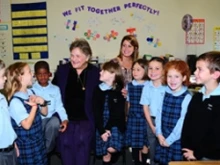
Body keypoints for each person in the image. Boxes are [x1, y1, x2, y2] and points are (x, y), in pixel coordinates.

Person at [52, 38, 100, 165]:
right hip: (65, 117)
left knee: (82, 142)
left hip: (86, 117)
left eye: (78, 56)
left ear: (87, 57)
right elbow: (53, 91)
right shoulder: (63, 70)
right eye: (72, 55)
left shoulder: (95, 73)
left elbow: (105, 91)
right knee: (65, 143)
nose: (74, 59)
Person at [5, 62, 48, 165]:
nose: (33, 74)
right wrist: (34, 107)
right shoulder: (16, 102)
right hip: (26, 146)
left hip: (38, 142)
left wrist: (42, 102)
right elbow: (27, 125)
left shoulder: (31, 92)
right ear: (20, 77)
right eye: (29, 72)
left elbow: (45, 113)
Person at [182, 51, 220, 161]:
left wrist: (197, 153)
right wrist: (186, 149)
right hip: (190, 153)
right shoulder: (197, 96)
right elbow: (188, 123)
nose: (195, 72)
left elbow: (216, 136)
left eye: (200, 69)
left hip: (209, 157)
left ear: (215, 74)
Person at [154, 60, 192, 165]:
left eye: (176, 76)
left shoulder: (187, 97)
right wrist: (159, 133)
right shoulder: (164, 92)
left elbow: (182, 122)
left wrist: (170, 140)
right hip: (163, 136)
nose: (172, 80)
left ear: (184, 78)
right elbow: (159, 113)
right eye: (169, 76)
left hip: (176, 140)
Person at [32, 61, 68, 155]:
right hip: (37, 120)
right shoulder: (31, 90)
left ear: (49, 74)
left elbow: (59, 107)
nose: (42, 77)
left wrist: (65, 119)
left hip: (50, 120)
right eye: (39, 74)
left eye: (45, 74)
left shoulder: (55, 89)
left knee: (55, 122)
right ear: (35, 75)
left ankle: (46, 152)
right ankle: (41, 151)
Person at [93, 60, 126, 165]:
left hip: (115, 124)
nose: (100, 72)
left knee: (111, 148)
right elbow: (96, 112)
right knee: (105, 154)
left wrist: (108, 128)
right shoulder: (97, 90)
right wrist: (102, 130)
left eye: (104, 71)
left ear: (113, 74)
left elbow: (118, 114)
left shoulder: (119, 91)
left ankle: (115, 154)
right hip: (101, 125)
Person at [140, 57, 167, 165]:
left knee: (164, 144)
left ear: (164, 70)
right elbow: (145, 107)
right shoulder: (147, 86)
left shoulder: (168, 86)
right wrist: (151, 125)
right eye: (150, 68)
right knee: (152, 144)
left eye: (157, 68)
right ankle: (152, 162)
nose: (153, 71)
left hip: (164, 120)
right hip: (151, 120)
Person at [125, 59, 149, 165]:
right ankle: (136, 162)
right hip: (133, 117)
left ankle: (143, 161)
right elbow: (128, 103)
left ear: (146, 70)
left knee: (145, 143)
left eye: (138, 69)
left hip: (145, 118)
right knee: (134, 143)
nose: (135, 72)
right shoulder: (129, 85)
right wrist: (127, 116)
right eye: (133, 69)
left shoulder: (149, 85)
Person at [0, 60, 18, 165]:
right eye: (2, 76)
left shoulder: (2, 97)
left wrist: (13, 143)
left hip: (10, 149)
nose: (6, 78)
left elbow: (6, 125)